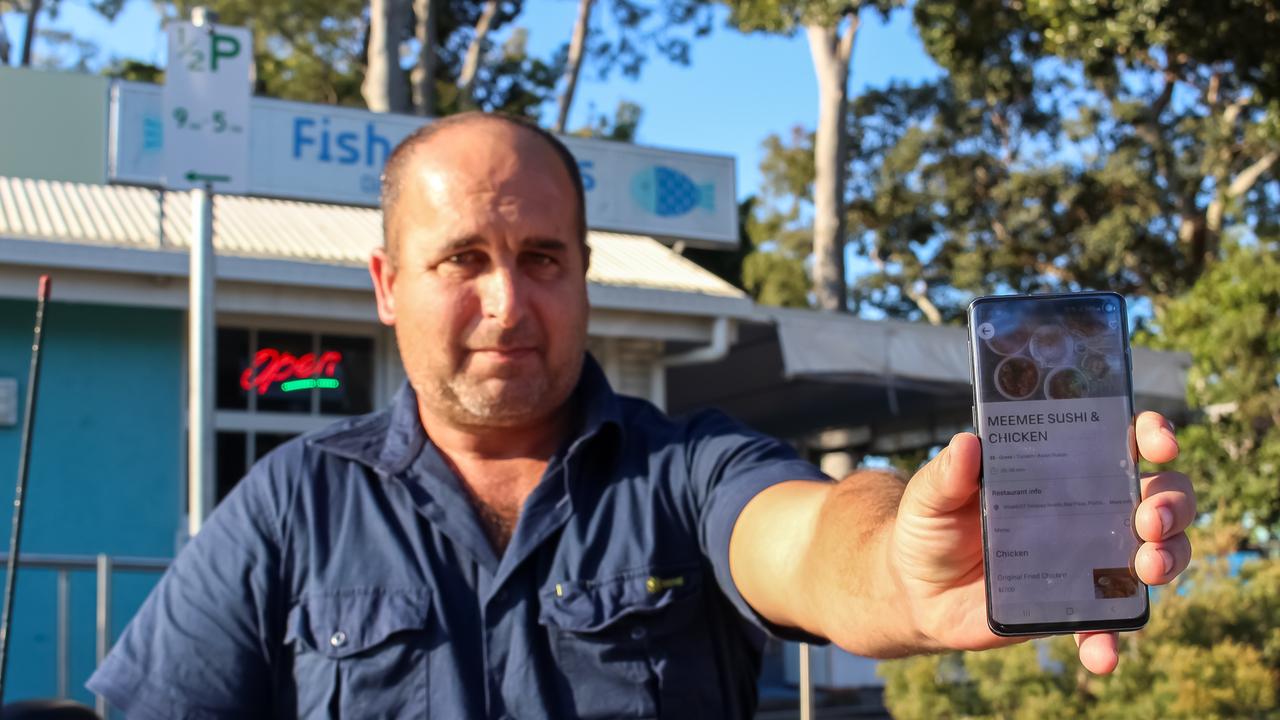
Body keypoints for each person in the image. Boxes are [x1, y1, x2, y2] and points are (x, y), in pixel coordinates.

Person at [87, 113, 1195, 718]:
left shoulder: (688, 468)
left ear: (586, 277)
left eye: (542, 259)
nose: (507, 302)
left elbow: (808, 532)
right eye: (461, 260)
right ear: (386, 285)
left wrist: (899, 576)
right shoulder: (291, 505)